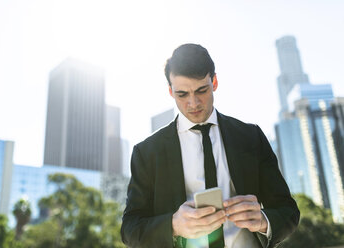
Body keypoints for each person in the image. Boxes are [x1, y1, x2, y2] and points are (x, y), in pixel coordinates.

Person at [121, 43, 299, 248]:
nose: (193, 103)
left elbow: (288, 211)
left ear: (214, 82)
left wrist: (263, 220)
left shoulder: (251, 137)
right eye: (182, 94)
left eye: (201, 90)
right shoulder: (147, 152)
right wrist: (173, 226)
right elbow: (130, 229)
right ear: (170, 91)